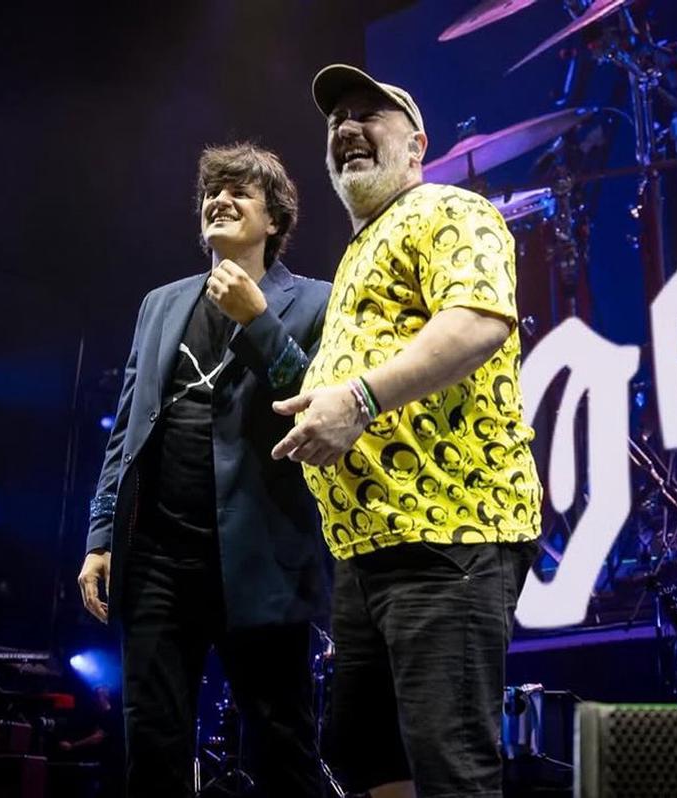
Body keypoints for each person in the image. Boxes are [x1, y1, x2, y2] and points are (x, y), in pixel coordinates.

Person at [271, 65, 543, 797]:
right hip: (370, 550)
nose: (347, 128)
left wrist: (358, 399)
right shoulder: (359, 251)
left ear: (418, 145)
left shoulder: (448, 209)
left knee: (449, 765)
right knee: (372, 763)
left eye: (369, 115)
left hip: (448, 533)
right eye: (337, 121)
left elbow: (478, 322)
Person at [76, 142, 330, 797]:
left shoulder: (316, 301)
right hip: (158, 559)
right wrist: (101, 535)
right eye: (212, 192)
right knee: (152, 748)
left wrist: (258, 321)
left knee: (282, 748)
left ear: (274, 219)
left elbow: (316, 403)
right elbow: (127, 430)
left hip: (262, 559)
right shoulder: (160, 304)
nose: (219, 200)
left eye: (239, 191)